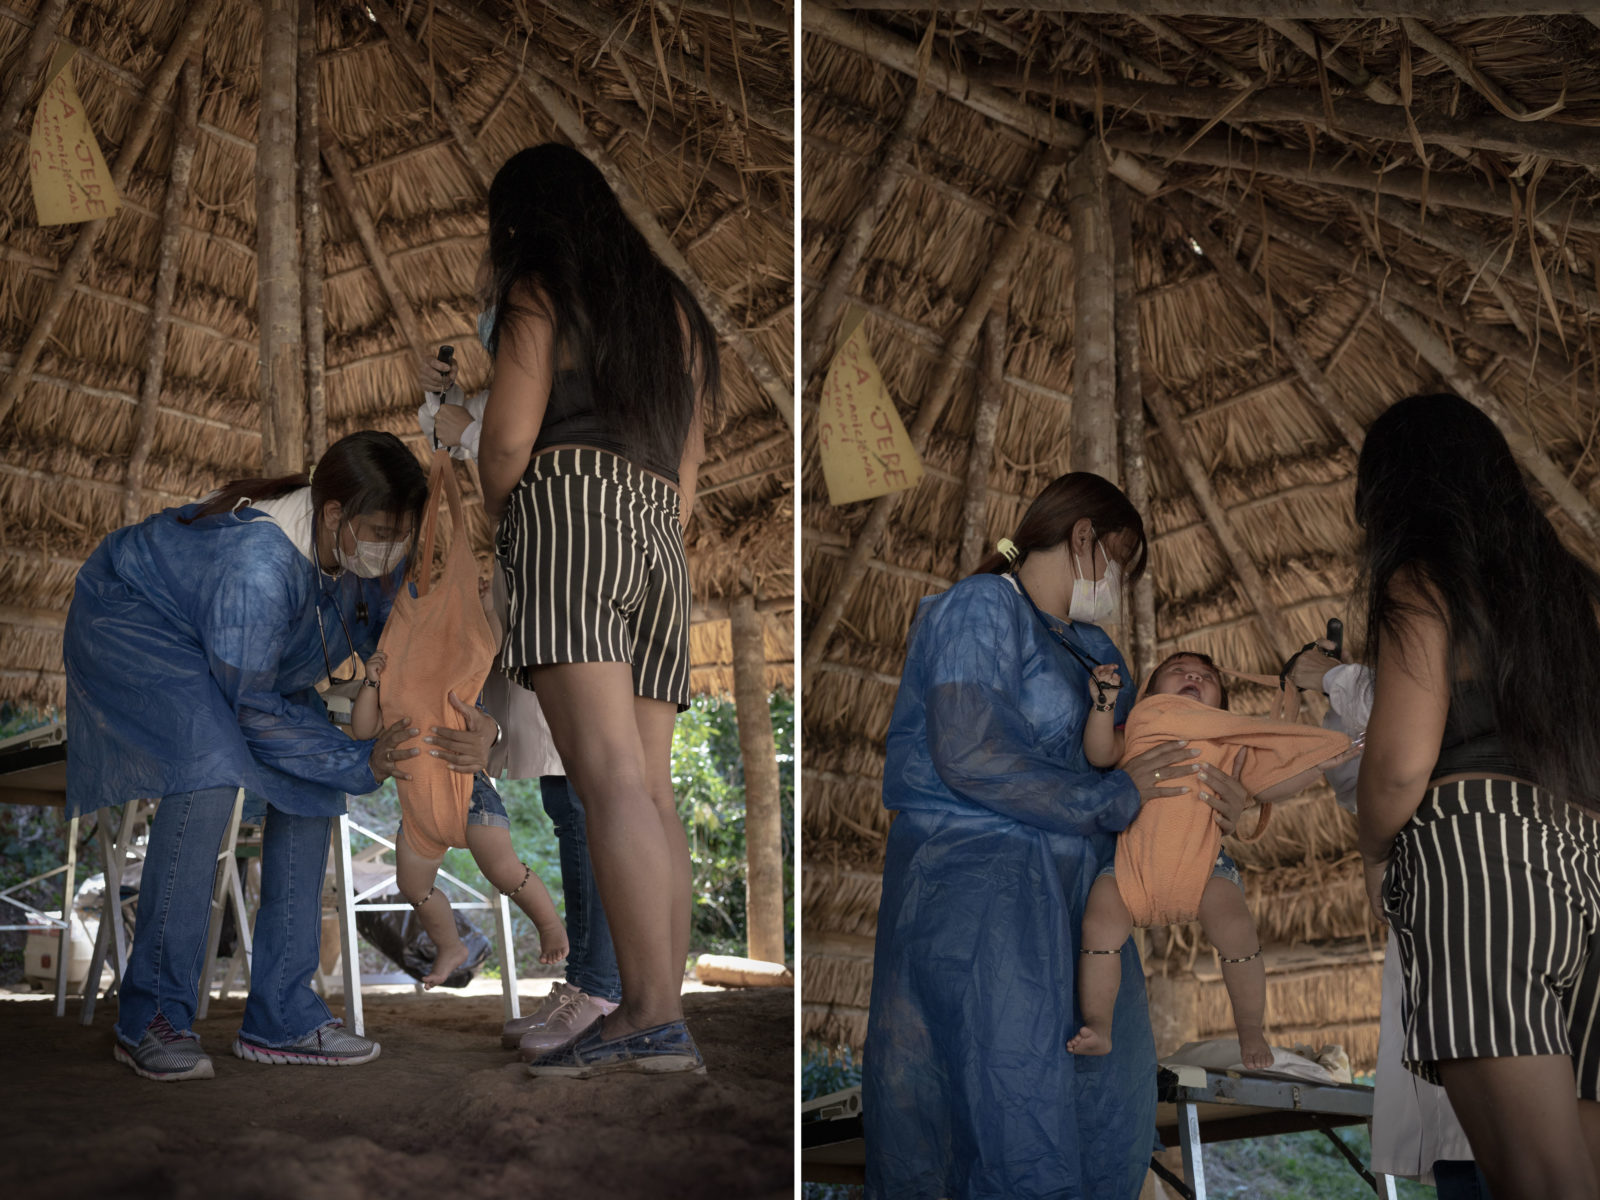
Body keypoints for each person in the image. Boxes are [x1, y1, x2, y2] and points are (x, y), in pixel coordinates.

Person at [862, 472, 1255, 1200]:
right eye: (1119, 564)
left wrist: (1229, 807)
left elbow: (1154, 774)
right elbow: (971, 753)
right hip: (981, 899)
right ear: (1084, 540)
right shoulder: (978, 607)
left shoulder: (1094, 649)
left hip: (1081, 914)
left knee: (1104, 1111)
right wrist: (1110, 796)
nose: (1116, 584)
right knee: (1002, 1104)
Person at [65, 431, 501, 1080]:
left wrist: (478, 729)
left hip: (241, 669)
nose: (395, 548)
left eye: (403, 532)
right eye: (382, 529)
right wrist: (362, 761)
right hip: (135, 626)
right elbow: (250, 709)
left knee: (310, 782)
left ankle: (282, 1014)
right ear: (334, 517)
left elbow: (418, 656)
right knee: (207, 768)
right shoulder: (257, 567)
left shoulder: (362, 562)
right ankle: (151, 1016)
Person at [474, 143, 718, 1077]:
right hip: (659, 533)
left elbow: (505, 448)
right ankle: (663, 1017)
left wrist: (517, 514)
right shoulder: (676, 316)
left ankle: (649, 1018)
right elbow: (688, 479)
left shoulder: (541, 291)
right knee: (650, 790)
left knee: (606, 784)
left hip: (567, 508)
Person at [1355, 392, 1600, 1200]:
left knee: (1539, 1184)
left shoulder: (1424, 578)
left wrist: (1374, 853)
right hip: (1591, 866)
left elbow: (1398, 766)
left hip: (1482, 860)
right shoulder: (1571, 592)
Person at [417, 344, 623, 1053]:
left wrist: (464, 428)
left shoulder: (589, 385)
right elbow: (462, 431)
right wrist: (441, 410)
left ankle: (604, 986)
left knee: (587, 798)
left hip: (573, 587)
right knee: (567, 802)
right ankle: (593, 978)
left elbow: (511, 448)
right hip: (537, 584)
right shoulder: (517, 383)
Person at [1073, 652, 1351, 1070]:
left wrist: (1314, 766)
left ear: (1222, 705)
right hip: (1131, 868)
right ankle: (1099, 1024)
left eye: (1206, 676)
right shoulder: (1140, 725)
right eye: (1178, 671)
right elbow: (1099, 752)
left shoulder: (1228, 738)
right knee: (1099, 926)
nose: (1192, 676)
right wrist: (1103, 705)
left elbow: (1270, 785)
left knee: (1237, 929)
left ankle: (1250, 1028)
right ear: (1148, 692)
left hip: (1204, 868)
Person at [1291, 644, 1491, 1199]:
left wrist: (1332, 675)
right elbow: (1358, 781)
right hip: (1433, 910)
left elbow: (1401, 749)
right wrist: (1342, 688)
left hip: (1483, 896)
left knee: (1500, 1115)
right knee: (1461, 1127)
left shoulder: (1494, 674)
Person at [353, 640, 567, 985]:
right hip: (419, 812)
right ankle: (450, 945)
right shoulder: (392, 697)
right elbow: (363, 729)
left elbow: (479, 644)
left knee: (503, 871)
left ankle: (550, 926)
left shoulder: (457, 691)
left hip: (469, 796)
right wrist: (371, 681)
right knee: (412, 886)